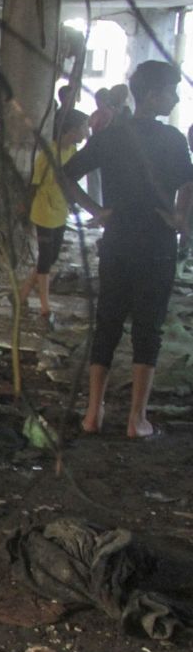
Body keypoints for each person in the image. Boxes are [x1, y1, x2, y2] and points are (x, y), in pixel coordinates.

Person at [62, 61, 193, 439]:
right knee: (148, 330)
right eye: (171, 91)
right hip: (156, 242)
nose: (175, 97)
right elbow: (188, 184)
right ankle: (137, 419)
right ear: (153, 94)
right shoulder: (172, 139)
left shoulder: (111, 135)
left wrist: (96, 211)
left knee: (108, 322)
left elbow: (65, 173)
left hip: (117, 239)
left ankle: (92, 414)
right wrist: (179, 218)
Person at [19, 109, 89, 323]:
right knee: (46, 258)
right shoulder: (47, 154)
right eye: (84, 127)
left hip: (59, 211)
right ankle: (44, 306)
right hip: (43, 211)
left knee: (50, 257)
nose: (87, 131)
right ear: (72, 130)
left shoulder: (73, 152)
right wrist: (24, 211)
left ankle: (21, 295)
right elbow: (33, 184)